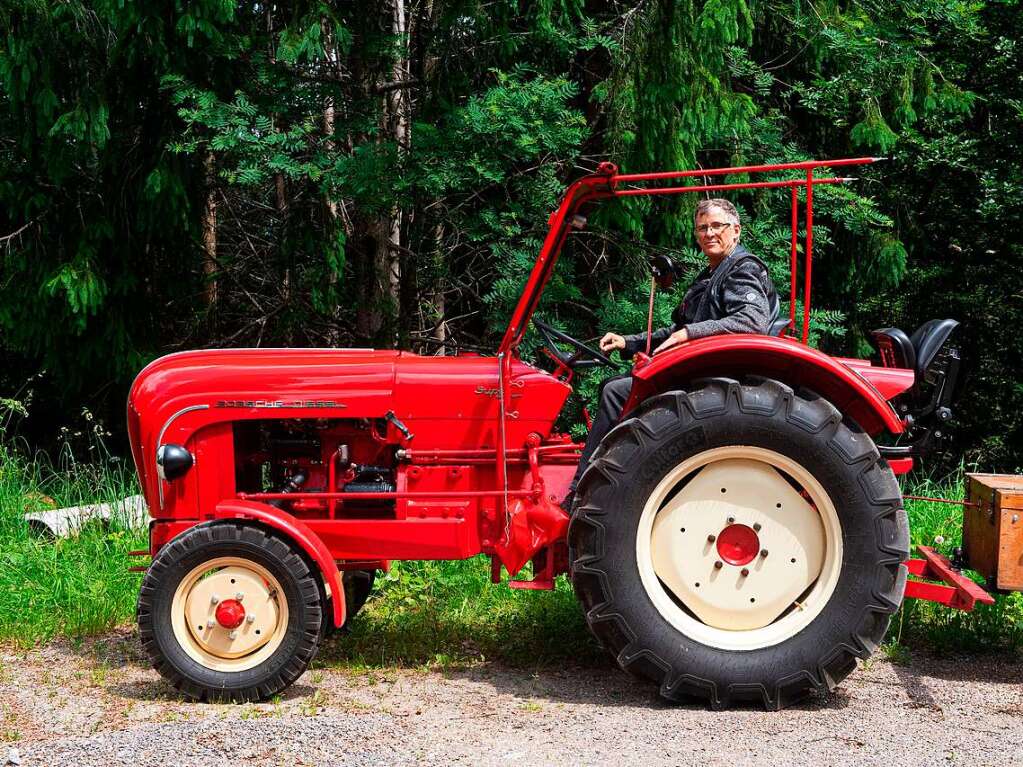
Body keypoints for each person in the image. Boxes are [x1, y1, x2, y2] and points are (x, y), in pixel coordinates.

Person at [565, 198, 779, 508]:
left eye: (717, 226)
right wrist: (629, 342)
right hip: (708, 370)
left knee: (616, 392)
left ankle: (583, 491)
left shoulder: (742, 269)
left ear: (736, 230)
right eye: (702, 228)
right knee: (615, 387)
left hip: (721, 376)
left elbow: (750, 321)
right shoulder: (712, 274)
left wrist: (689, 333)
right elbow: (678, 331)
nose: (709, 233)